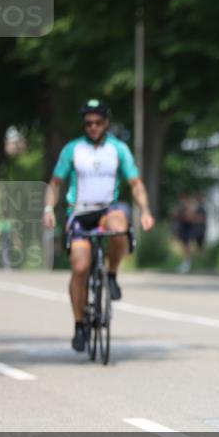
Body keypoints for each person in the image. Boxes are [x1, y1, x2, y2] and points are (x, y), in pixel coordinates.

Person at [42, 99, 155, 352]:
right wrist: (49, 209)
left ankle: (112, 274)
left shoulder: (118, 149)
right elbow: (56, 184)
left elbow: (136, 184)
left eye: (98, 123)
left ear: (106, 123)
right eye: (88, 123)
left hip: (106, 209)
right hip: (80, 211)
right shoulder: (73, 149)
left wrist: (145, 210)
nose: (93, 127)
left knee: (120, 223)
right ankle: (80, 324)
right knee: (80, 267)